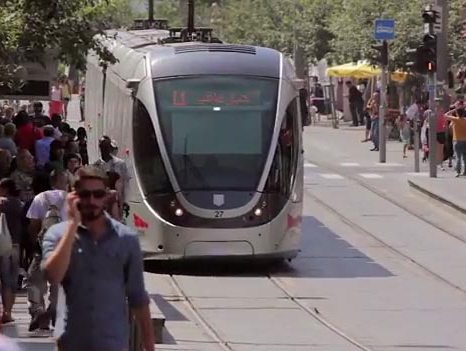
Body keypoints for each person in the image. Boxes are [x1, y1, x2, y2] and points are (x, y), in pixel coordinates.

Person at [41, 166, 155, 351]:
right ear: (73, 196)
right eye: (85, 194)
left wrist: (149, 346)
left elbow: (138, 297)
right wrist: (72, 226)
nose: (92, 200)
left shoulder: (126, 239)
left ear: (106, 197)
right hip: (70, 344)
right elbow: (53, 275)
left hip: (112, 343)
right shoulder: (57, 235)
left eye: (98, 194)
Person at [26, 170, 68, 332]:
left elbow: (33, 226)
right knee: (58, 284)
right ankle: (54, 311)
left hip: (42, 248)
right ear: (64, 181)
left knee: (35, 281)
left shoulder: (40, 198)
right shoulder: (71, 199)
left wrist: (34, 244)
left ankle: (38, 311)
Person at [0, 179, 23, 324]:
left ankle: (5, 312)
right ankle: (8, 312)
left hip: (2, 245)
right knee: (11, 281)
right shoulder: (19, 204)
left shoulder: (2, 203)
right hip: (15, 245)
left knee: (3, 280)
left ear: (4, 189)